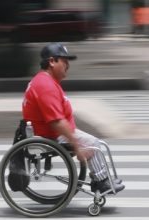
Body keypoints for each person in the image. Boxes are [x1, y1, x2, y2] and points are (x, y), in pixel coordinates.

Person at [22, 43, 125, 194]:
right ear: (52, 61)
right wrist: (77, 147)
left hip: (52, 132)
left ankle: (103, 179)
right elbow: (56, 121)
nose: (68, 65)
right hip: (52, 135)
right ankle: (101, 182)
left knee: (97, 143)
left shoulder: (46, 82)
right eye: (64, 61)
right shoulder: (45, 85)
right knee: (93, 144)